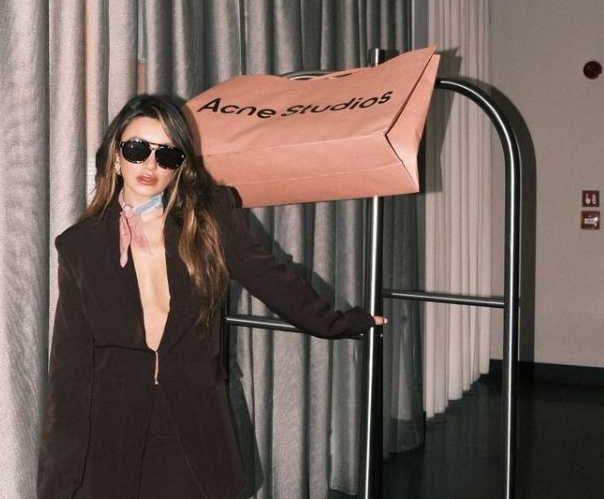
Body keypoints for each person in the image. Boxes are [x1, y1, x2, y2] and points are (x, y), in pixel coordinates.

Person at [37, 94, 386, 499]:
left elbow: (272, 279)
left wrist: (338, 323)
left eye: (167, 154)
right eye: (137, 149)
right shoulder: (79, 247)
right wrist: (54, 487)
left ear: (180, 166)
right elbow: (69, 377)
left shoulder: (208, 221)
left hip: (191, 422)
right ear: (116, 156)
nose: (150, 164)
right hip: (113, 434)